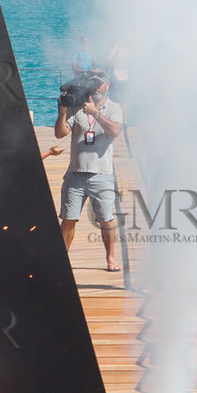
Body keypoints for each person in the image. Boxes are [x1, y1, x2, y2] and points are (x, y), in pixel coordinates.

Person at [54, 71, 123, 272]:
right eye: (93, 84)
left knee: (105, 219)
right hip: (75, 173)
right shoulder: (77, 107)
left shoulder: (114, 108)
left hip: (101, 173)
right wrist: (62, 113)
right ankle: (62, 259)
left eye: (99, 84)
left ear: (107, 85)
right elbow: (60, 134)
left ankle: (110, 259)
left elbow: (115, 131)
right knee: (68, 219)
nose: (96, 88)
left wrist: (96, 113)